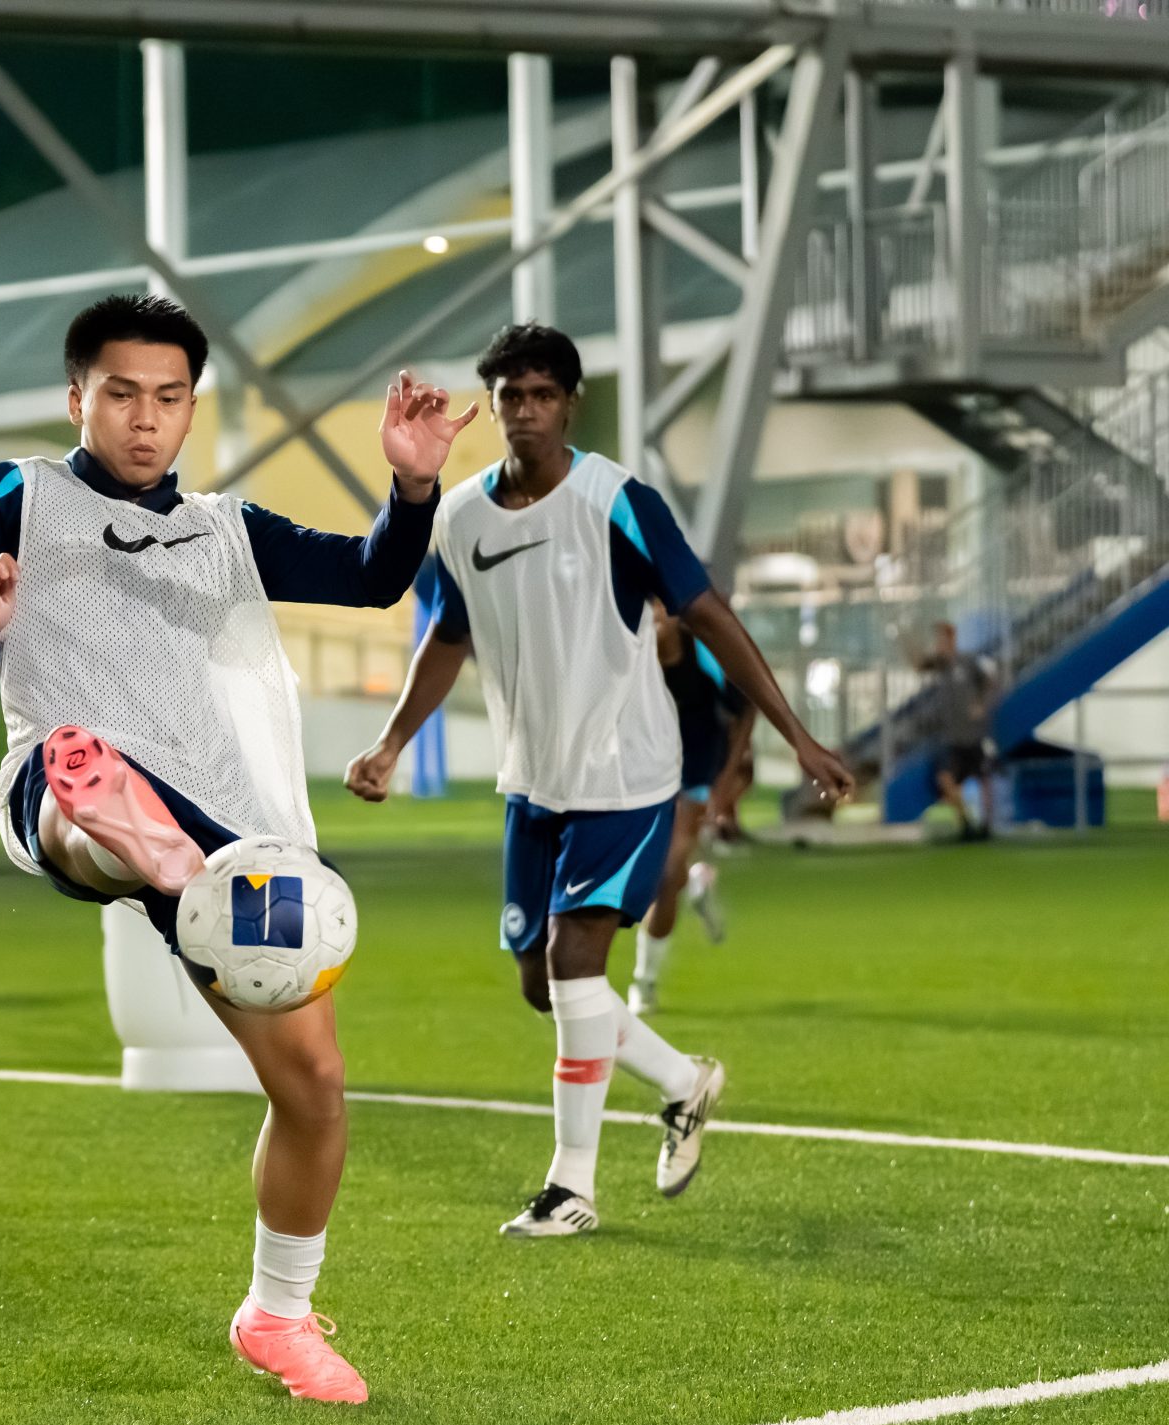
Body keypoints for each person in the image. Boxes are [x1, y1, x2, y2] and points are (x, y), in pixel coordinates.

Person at [0, 293, 473, 1405]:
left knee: (315, 1090)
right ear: (77, 398)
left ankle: (278, 1316)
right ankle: (138, 842)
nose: (145, 420)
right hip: (58, 786)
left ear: (190, 407)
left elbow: (372, 577)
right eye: (120, 395)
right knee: (85, 782)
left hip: (219, 822)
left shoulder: (223, 529)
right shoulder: (17, 497)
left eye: (167, 398)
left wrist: (410, 485)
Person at [346, 324, 854, 1235]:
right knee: (543, 986)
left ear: (570, 402)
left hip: (625, 772)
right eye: (512, 396)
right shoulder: (458, 518)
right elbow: (449, 636)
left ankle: (570, 1185)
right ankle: (683, 1081)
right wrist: (389, 743)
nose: (528, 411)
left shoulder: (617, 499)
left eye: (544, 394)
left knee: (575, 966)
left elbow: (708, 614)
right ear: (491, 404)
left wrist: (799, 738)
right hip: (531, 779)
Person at [628, 604, 755, 1016]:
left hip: (697, 771)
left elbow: (747, 706)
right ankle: (697, 884)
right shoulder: (632, 653)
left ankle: (643, 983)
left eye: (660, 609)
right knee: (658, 875)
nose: (654, 618)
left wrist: (725, 782)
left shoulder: (703, 652)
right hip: (646, 773)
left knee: (666, 874)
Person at [918, 620, 999, 841]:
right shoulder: (938, 667)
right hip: (950, 735)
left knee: (983, 778)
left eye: (942, 639)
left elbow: (991, 679)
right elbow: (917, 663)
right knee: (946, 777)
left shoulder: (969, 662)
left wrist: (981, 704)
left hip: (974, 733)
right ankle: (965, 823)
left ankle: (986, 826)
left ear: (952, 639)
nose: (939, 644)